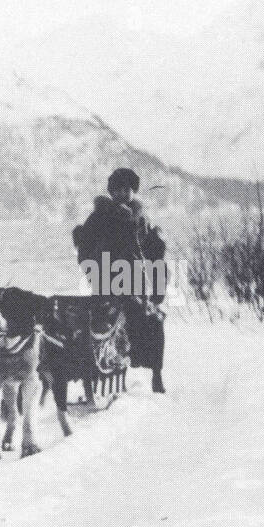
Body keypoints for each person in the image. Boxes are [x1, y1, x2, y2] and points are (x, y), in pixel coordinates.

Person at [72, 167, 167, 393]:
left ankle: (155, 372)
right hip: (105, 279)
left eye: (127, 189)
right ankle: (99, 363)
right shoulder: (98, 217)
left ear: (132, 191)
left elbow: (154, 254)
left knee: (149, 322)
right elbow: (84, 248)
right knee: (99, 323)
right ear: (111, 192)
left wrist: (157, 286)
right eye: (117, 190)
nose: (122, 194)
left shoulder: (140, 219)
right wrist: (92, 271)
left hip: (134, 280)